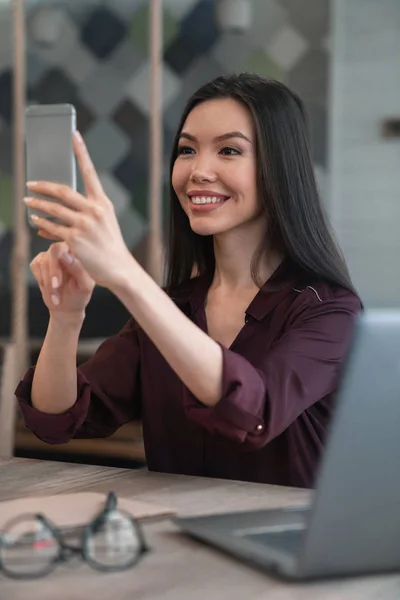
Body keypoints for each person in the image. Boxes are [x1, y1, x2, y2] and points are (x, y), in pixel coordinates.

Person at [16, 73, 361, 488]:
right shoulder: (173, 306)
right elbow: (58, 418)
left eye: (229, 150)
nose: (198, 171)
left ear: (279, 168)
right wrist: (66, 318)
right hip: (178, 538)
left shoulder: (329, 310)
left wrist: (126, 274)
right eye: (187, 150)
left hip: (284, 546)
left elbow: (256, 412)